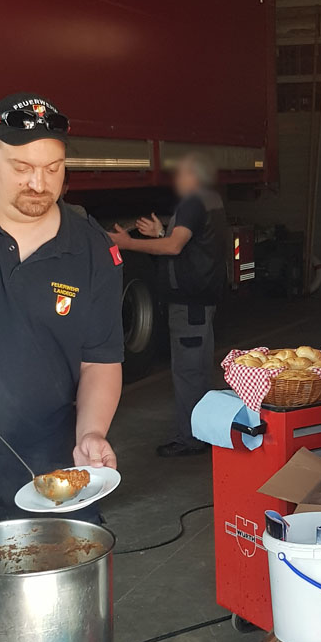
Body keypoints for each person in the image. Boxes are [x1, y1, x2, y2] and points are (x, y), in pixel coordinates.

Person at [0, 92, 124, 524]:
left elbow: (100, 362)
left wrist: (91, 433)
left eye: (52, 168)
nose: (39, 183)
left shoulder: (91, 248)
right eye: (21, 168)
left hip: (51, 474)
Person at [109, 152, 227, 457]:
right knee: (197, 371)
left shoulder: (192, 202)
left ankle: (191, 439)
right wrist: (160, 232)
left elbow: (175, 246)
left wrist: (128, 243)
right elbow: (191, 243)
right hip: (200, 301)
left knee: (189, 373)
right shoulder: (210, 199)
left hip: (189, 302)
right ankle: (202, 432)